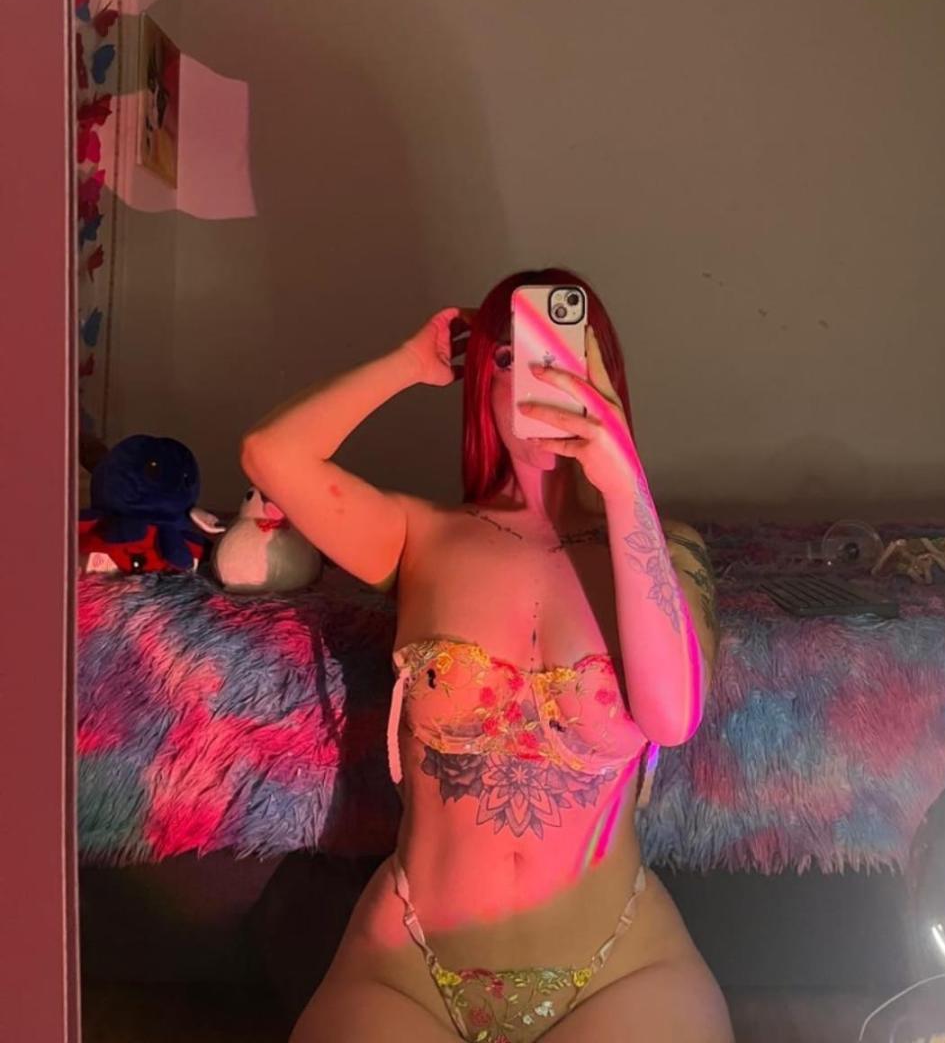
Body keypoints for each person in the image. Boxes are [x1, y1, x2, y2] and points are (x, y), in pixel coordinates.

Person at [241, 268, 734, 1043]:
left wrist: (623, 483)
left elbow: (673, 717)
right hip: (407, 966)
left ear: (604, 377)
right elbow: (270, 454)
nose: (535, 374)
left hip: (620, 971)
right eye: (508, 357)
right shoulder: (421, 537)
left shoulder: (663, 552)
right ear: (480, 384)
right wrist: (408, 364)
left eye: (563, 353)